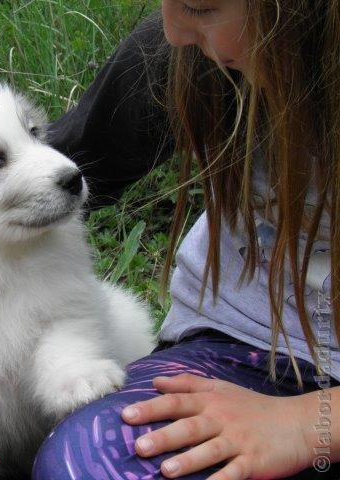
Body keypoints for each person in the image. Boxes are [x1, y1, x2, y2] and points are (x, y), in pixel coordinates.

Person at [33, 0, 340, 479]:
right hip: (244, 350)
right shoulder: (190, 56)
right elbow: (43, 180)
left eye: (200, 7)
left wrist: (306, 426)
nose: (173, 32)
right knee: (85, 463)